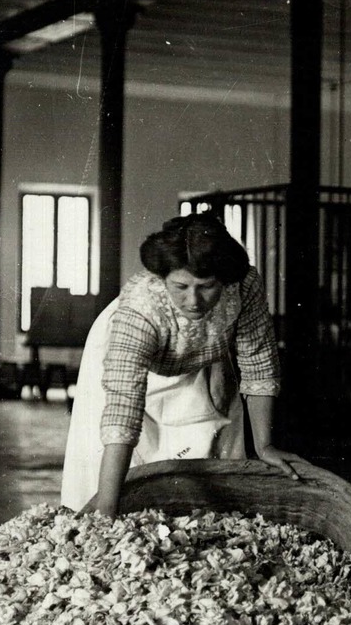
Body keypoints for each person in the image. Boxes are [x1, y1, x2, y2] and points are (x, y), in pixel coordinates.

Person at [60, 213, 302, 515]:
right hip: (126, 362)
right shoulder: (139, 311)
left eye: (206, 286)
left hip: (202, 352)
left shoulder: (243, 283)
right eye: (181, 286)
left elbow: (259, 361)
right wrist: (107, 510)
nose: (194, 301)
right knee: (123, 453)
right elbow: (123, 409)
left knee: (210, 441)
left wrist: (264, 446)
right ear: (164, 278)